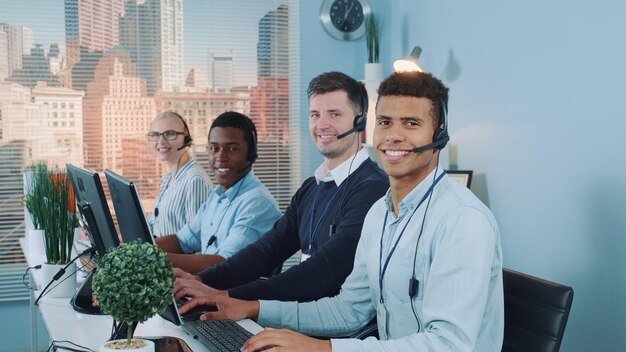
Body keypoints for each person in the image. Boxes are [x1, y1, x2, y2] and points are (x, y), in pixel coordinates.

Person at [181, 71, 504, 351]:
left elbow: (448, 345)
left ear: (439, 133)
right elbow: (349, 310)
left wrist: (323, 349)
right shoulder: (381, 213)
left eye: (411, 123)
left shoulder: (462, 219)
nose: (394, 135)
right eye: (385, 122)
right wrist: (252, 308)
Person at [174, 71, 389, 303]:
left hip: (336, 328)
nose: (322, 124)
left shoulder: (372, 189)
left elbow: (323, 271)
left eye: (334, 114)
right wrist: (203, 282)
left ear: (359, 121)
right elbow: (267, 250)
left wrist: (229, 296)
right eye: (315, 114)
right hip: (299, 315)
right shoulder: (311, 188)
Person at [156, 111, 281, 273]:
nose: (221, 157)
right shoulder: (217, 196)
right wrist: (135, 249)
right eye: (214, 148)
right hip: (207, 288)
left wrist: (151, 259)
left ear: (250, 154)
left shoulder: (257, 202)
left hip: (231, 294)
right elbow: (182, 240)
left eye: (232, 148)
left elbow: (223, 264)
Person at [148, 111, 212, 237]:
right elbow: (159, 221)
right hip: (160, 253)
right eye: (155, 135)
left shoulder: (195, 180)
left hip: (175, 256)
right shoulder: (169, 176)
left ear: (186, 138)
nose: (161, 141)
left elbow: (197, 238)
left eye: (170, 134)